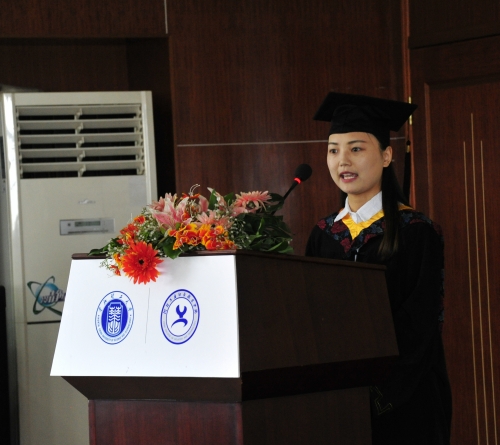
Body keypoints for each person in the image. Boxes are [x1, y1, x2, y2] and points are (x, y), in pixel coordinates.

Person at [305, 92, 452, 445]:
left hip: (406, 399)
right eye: (333, 150)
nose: (343, 160)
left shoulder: (416, 232)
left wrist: (375, 395)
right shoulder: (324, 234)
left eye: (356, 148)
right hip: (339, 398)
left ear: (386, 155)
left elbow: (419, 325)